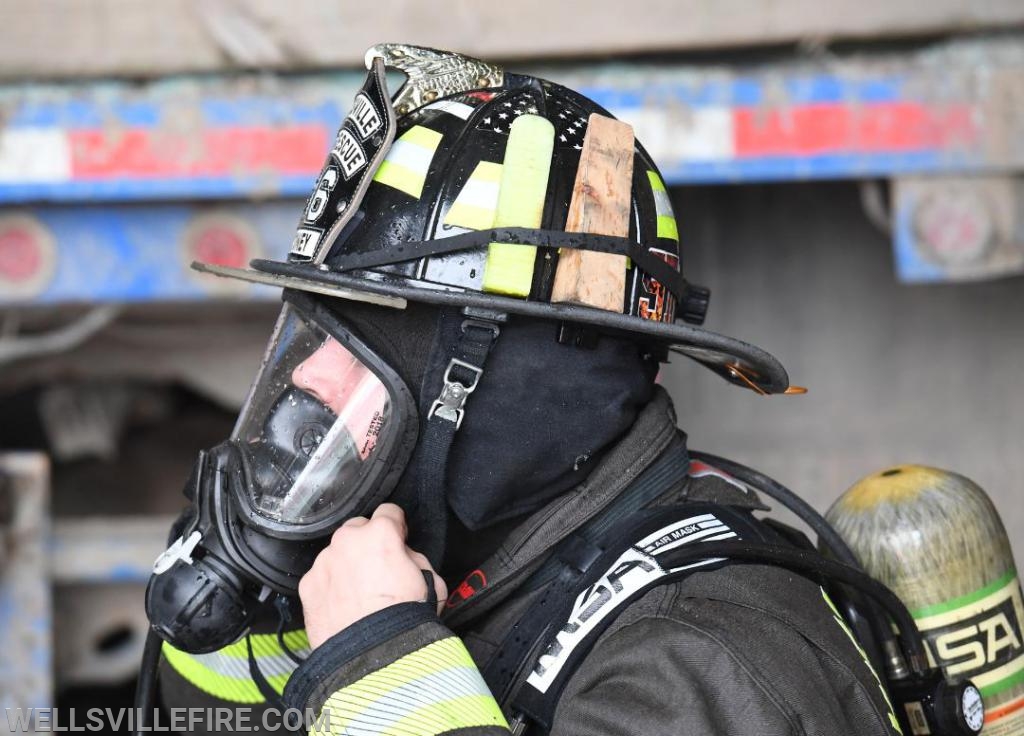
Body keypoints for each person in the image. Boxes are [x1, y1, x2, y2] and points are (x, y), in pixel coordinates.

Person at [149, 43, 905, 735]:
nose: (309, 377)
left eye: (360, 345)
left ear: (504, 385)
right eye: (311, 335)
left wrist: (377, 667)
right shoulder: (459, 563)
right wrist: (268, 609)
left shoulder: (701, 662)